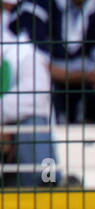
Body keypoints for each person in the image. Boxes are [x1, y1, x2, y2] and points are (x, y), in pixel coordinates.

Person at [11, 0, 95, 123]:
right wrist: (85, 76)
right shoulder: (35, 4)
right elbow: (32, 62)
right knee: (39, 92)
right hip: (53, 84)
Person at [1, 4, 59, 186]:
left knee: (33, 123)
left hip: (16, 139)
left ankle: (45, 183)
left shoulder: (22, 51)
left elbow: (37, 96)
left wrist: (5, 126)